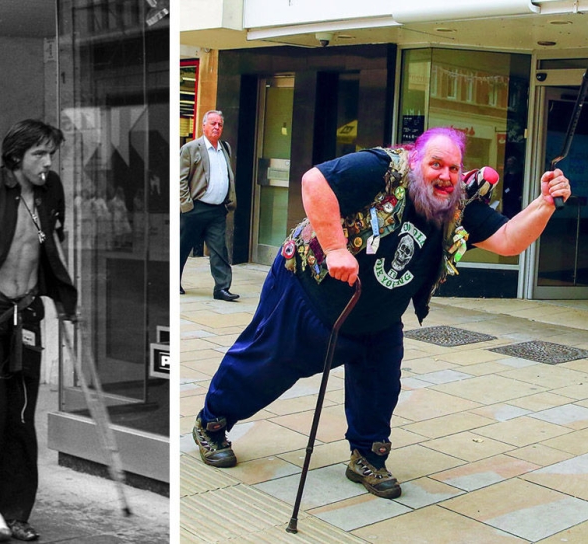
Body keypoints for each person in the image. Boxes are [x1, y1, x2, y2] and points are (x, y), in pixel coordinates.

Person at [192, 127, 571, 499]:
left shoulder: (457, 204)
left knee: (381, 385)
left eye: (454, 169)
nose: (446, 176)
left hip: (379, 314)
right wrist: (337, 248)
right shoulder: (381, 169)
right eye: (437, 165)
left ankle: (367, 455)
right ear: (418, 159)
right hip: (310, 291)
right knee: (266, 364)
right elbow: (314, 182)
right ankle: (212, 423)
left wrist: (545, 203)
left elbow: (507, 241)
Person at [0, 119, 77, 541]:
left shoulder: (50, 189)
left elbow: (52, 245)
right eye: (39, 154)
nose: (47, 162)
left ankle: (16, 511)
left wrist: (64, 299)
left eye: (50, 155)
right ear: (16, 156)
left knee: (22, 419)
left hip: (27, 316)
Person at [179, 110, 239, 301]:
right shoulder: (191, 148)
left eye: (219, 124)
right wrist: (186, 206)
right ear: (203, 125)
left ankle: (221, 288)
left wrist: (228, 202)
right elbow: (180, 179)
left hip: (217, 210)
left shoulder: (225, 148)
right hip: (195, 209)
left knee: (219, 250)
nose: (216, 127)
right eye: (212, 123)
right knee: (182, 247)